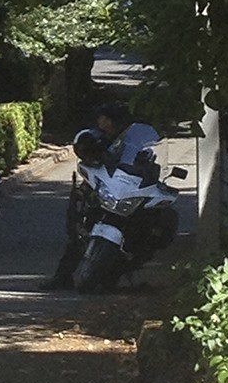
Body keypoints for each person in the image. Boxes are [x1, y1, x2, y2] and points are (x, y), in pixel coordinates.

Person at [39, 101, 160, 292]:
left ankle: (116, 274)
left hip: (126, 192)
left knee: (147, 225)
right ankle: (62, 277)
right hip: (104, 189)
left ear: (112, 121)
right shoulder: (98, 139)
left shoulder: (133, 141)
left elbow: (148, 161)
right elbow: (90, 158)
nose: (100, 121)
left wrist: (149, 169)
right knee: (81, 232)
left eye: (103, 118)